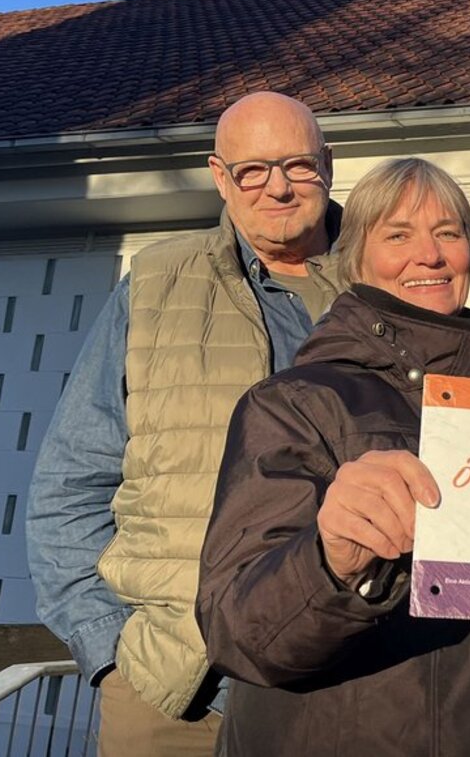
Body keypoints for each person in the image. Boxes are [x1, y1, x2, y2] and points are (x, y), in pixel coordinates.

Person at [196, 158, 470, 755]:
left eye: (449, 233)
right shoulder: (296, 403)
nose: (430, 254)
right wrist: (331, 562)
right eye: (398, 234)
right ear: (355, 259)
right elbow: (238, 633)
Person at [27, 91, 342, 754]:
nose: (278, 187)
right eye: (252, 170)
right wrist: (114, 652)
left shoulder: (384, 285)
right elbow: (69, 484)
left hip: (351, 689)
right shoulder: (155, 285)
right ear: (220, 177)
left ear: (329, 166)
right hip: (178, 695)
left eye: (298, 165)